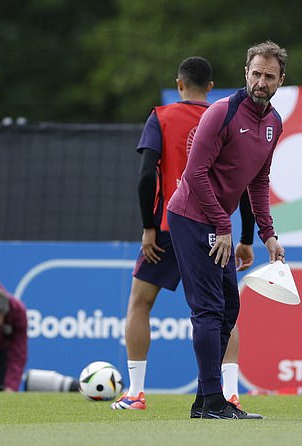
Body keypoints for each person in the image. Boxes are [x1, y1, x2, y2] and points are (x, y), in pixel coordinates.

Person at [111, 56, 256, 411]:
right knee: (222, 311)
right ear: (210, 87)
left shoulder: (161, 117)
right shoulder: (227, 118)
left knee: (140, 303)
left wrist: (148, 225)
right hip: (212, 227)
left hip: (166, 226)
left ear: (179, 84)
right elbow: (248, 182)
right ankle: (231, 391)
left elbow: (147, 176)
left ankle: (136, 393)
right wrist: (247, 237)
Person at [166, 41, 288, 419]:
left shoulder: (273, 123)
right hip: (190, 216)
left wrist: (268, 233)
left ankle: (205, 402)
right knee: (208, 310)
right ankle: (214, 401)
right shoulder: (221, 112)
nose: (261, 82)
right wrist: (224, 225)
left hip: (217, 224)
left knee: (228, 308)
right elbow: (194, 173)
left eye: (269, 76)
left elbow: (259, 181)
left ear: (281, 80)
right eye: (256, 73)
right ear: (245, 73)